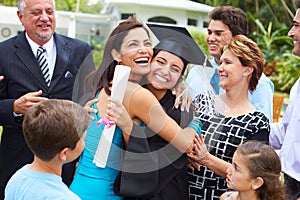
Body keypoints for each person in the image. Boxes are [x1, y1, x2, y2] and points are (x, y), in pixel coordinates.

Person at [69, 17, 200, 200]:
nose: (142, 49)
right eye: (133, 44)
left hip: (76, 190)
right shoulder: (137, 94)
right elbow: (186, 144)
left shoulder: (100, 88)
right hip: (106, 193)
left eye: (147, 43)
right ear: (116, 54)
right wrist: (195, 120)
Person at [0, 0, 95, 197]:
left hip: (65, 162)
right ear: (21, 17)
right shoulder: (3, 53)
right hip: (18, 159)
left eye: (49, 11)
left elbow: (91, 98)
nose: (44, 17)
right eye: (36, 12)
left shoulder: (81, 51)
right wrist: (14, 107)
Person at [110, 24, 210, 200]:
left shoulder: (181, 110)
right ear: (149, 61)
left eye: (175, 69)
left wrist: (194, 123)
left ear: (180, 77)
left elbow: (158, 163)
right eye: (160, 62)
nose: (165, 71)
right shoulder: (130, 91)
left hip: (164, 192)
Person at [187, 35, 270, 199]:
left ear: (247, 70)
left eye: (228, 63)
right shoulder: (202, 102)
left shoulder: (257, 123)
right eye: (221, 62)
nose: (220, 68)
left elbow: (252, 175)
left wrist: (206, 159)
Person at [185, 6, 274, 122]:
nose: (211, 38)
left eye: (218, 33)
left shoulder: (258, 82)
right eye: (209, 32)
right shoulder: (196, 74)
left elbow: (263, 130)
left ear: (238, 38)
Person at [4, 99, 90, 200]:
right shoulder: (65, 197)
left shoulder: (17, 178)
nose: (84, 143)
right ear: (64, 153)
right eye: (83, 140)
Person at [269, 0, 300, 199]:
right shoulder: (298, 84)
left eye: (297, 26)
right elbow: (286, 131)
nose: (290, 33)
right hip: (289, 183)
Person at [220, 141, 285, 200]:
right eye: (232, 164)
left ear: (257, 182)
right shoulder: (226, 197)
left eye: (236, 168)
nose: (228, 171)